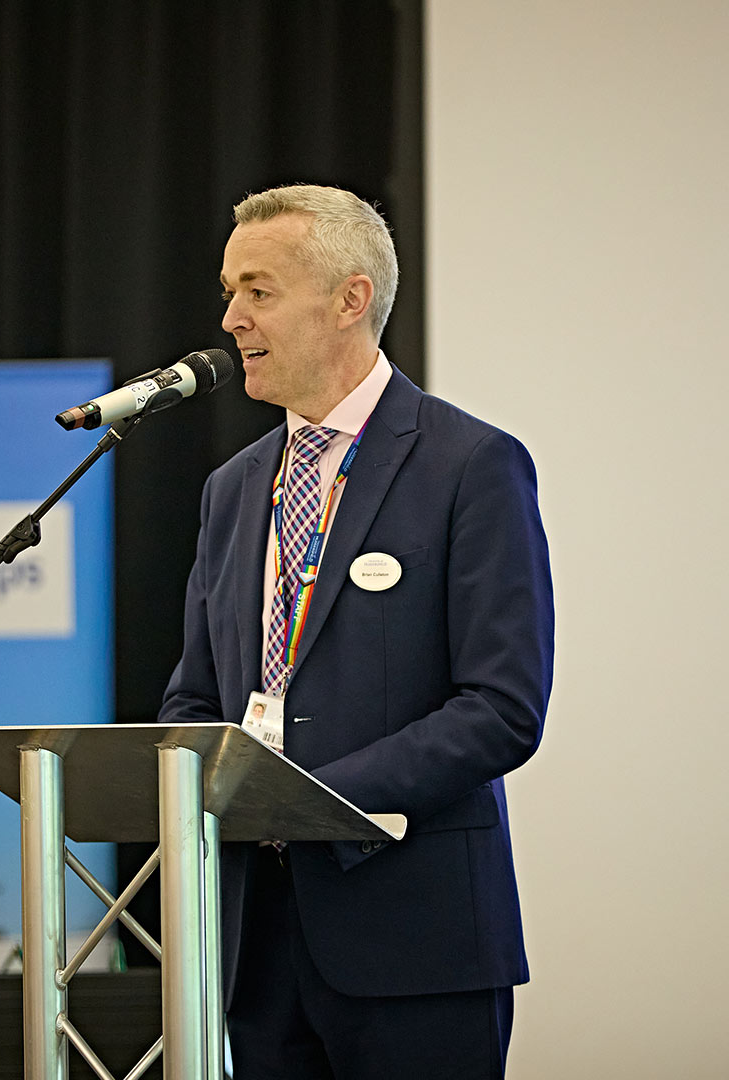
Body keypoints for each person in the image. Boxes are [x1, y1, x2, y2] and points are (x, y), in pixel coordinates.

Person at [158, 184, 552, 1079]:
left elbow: (501, 707)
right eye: (230, 292)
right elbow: (195, 689)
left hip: (417, 944)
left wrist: (310, 801)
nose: (230, 319)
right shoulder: (231, 488)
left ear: (349, 299)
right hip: (257, 948)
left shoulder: (472, 465)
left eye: (257, 291)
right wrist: (203, 775)